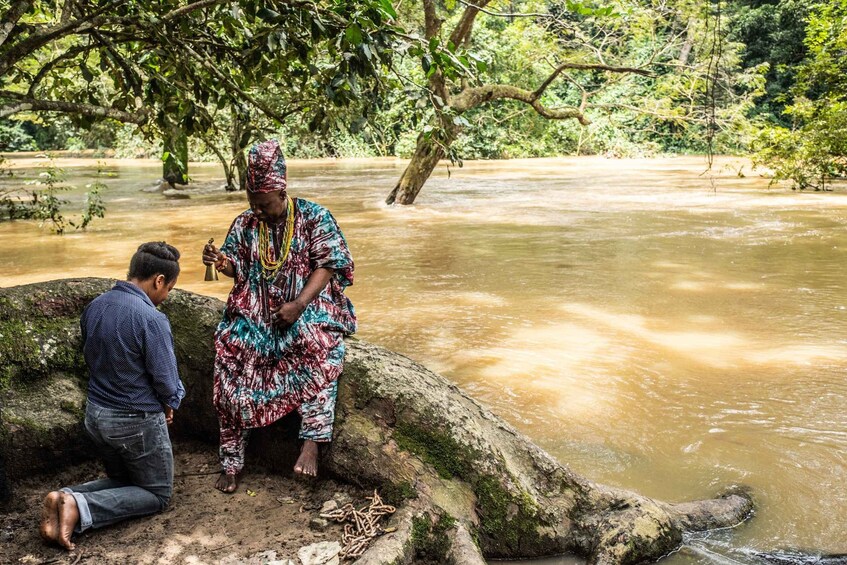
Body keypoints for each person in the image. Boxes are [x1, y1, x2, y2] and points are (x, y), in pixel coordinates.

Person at [202, 139, 356, 493]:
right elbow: (237, 267)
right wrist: (222, 263)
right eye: (253, 204)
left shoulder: (314, 217)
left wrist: (299, 304)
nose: (258, 211)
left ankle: (312, 442)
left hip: (309, 303)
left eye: (265, 205)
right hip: (255, 304)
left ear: (281, 192)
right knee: (233, 351)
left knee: (316, 346)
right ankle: (231, 460)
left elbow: (330, 264)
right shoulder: (245, 223)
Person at [40, 242, 185, 550]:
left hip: (96, 415)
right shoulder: (151, 318)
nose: (166, 296)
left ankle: (65, 497)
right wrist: (171, 403)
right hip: (135, 424)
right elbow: (166, 381)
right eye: (169, 289)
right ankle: (79, 506)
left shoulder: (96, 305)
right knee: (157, 494)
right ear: (159, 280)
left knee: (127, 482)